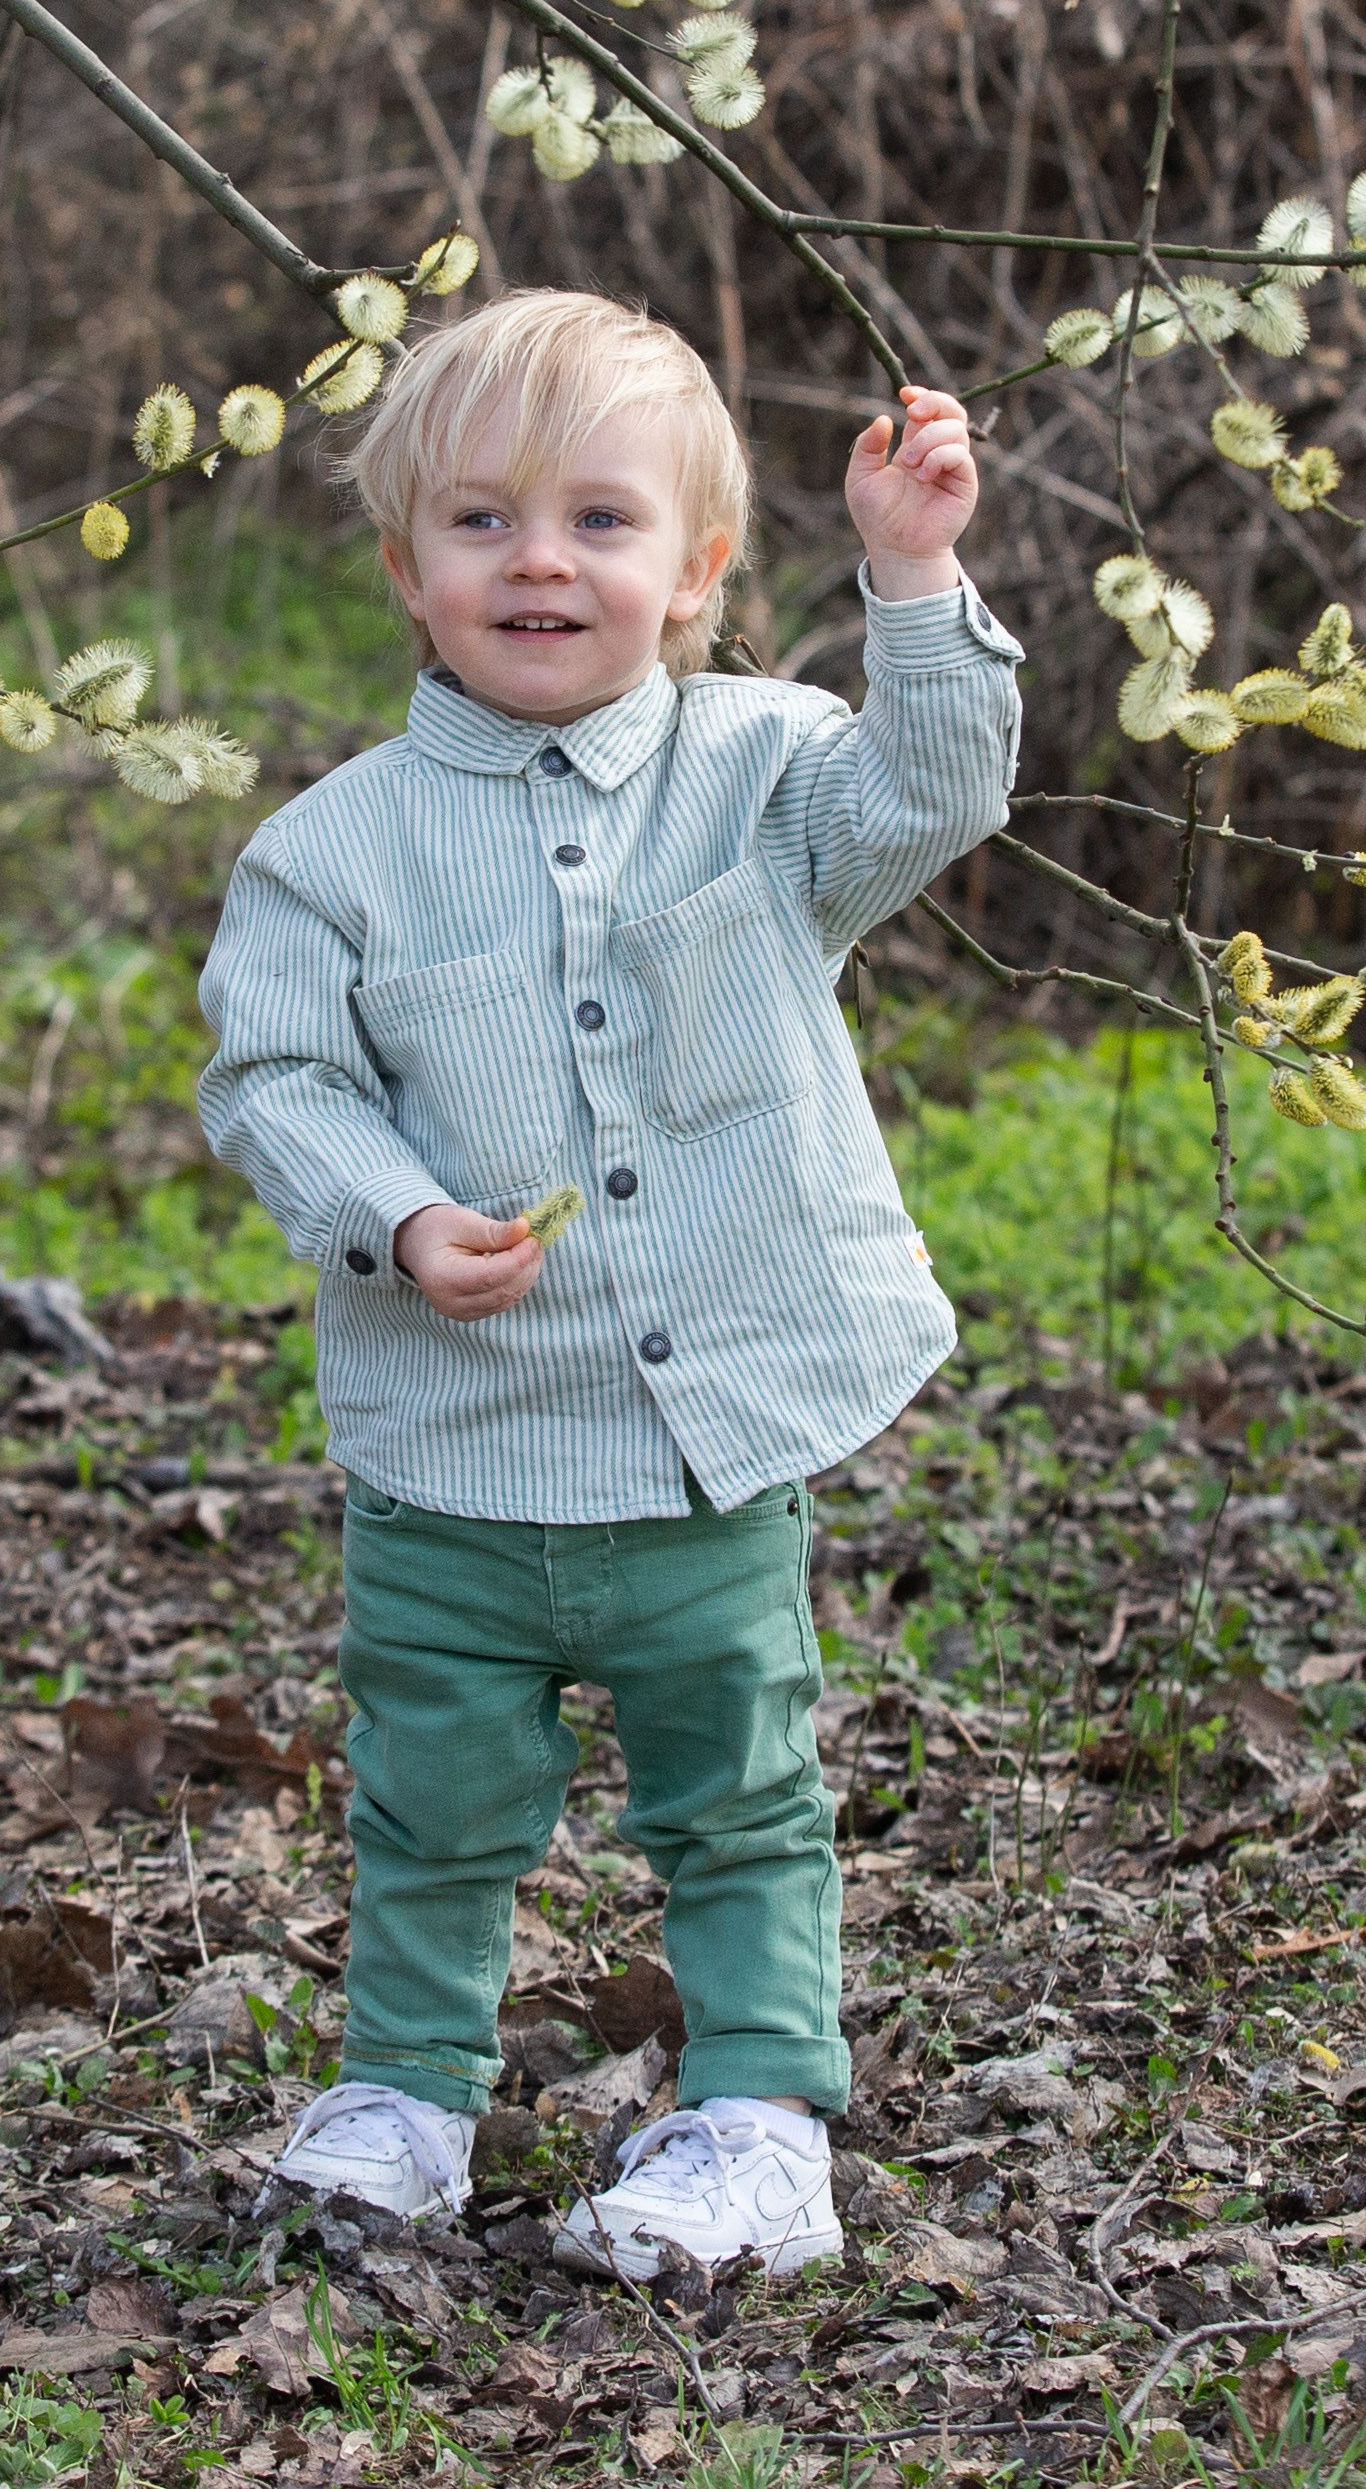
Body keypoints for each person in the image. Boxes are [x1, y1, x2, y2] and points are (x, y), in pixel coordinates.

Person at [197, 288, 1022, 2278]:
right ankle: (400, 2087)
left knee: (738, 1795)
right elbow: (275, 1071)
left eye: (601, 518)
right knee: (434, 1800)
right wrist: (393, 1210)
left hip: (703, 1447)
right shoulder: (337, 851)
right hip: (453, 1460)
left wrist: (915, 575)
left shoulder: (770, 780)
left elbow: (941, 793)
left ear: (700, 566)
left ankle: (755, 2115)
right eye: (480, 521)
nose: (540, 560)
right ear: (407, 569)